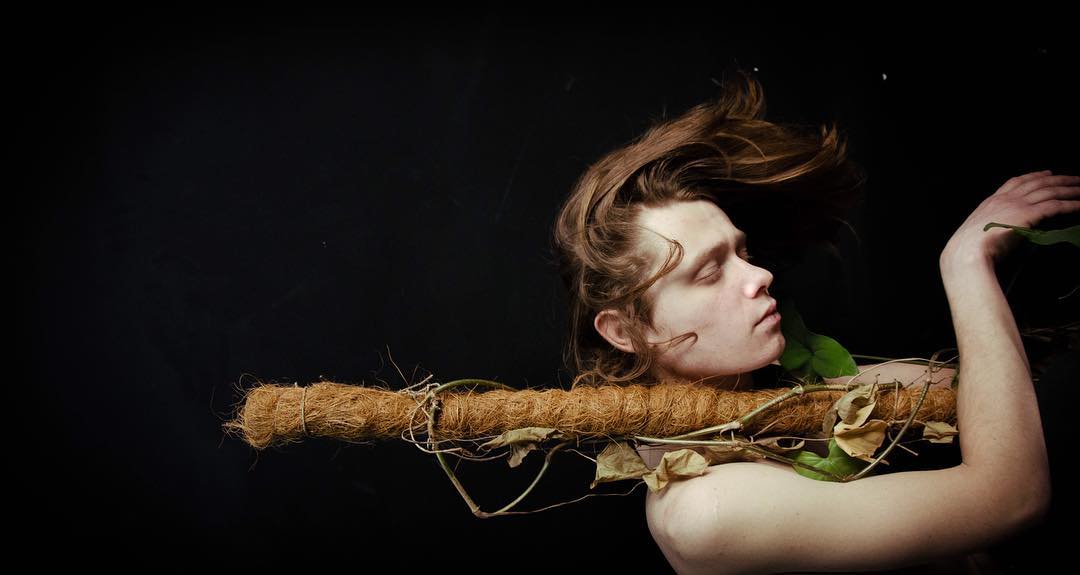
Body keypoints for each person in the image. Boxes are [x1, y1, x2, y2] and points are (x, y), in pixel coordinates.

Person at [550, 69, 1068, 573]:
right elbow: (1012, 498)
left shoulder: (783, 410)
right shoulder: (705, 509)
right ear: (625, 331)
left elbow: (978, 388)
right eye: (709, 272)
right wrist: (966, 264)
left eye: (743, 252)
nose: (760, 276)